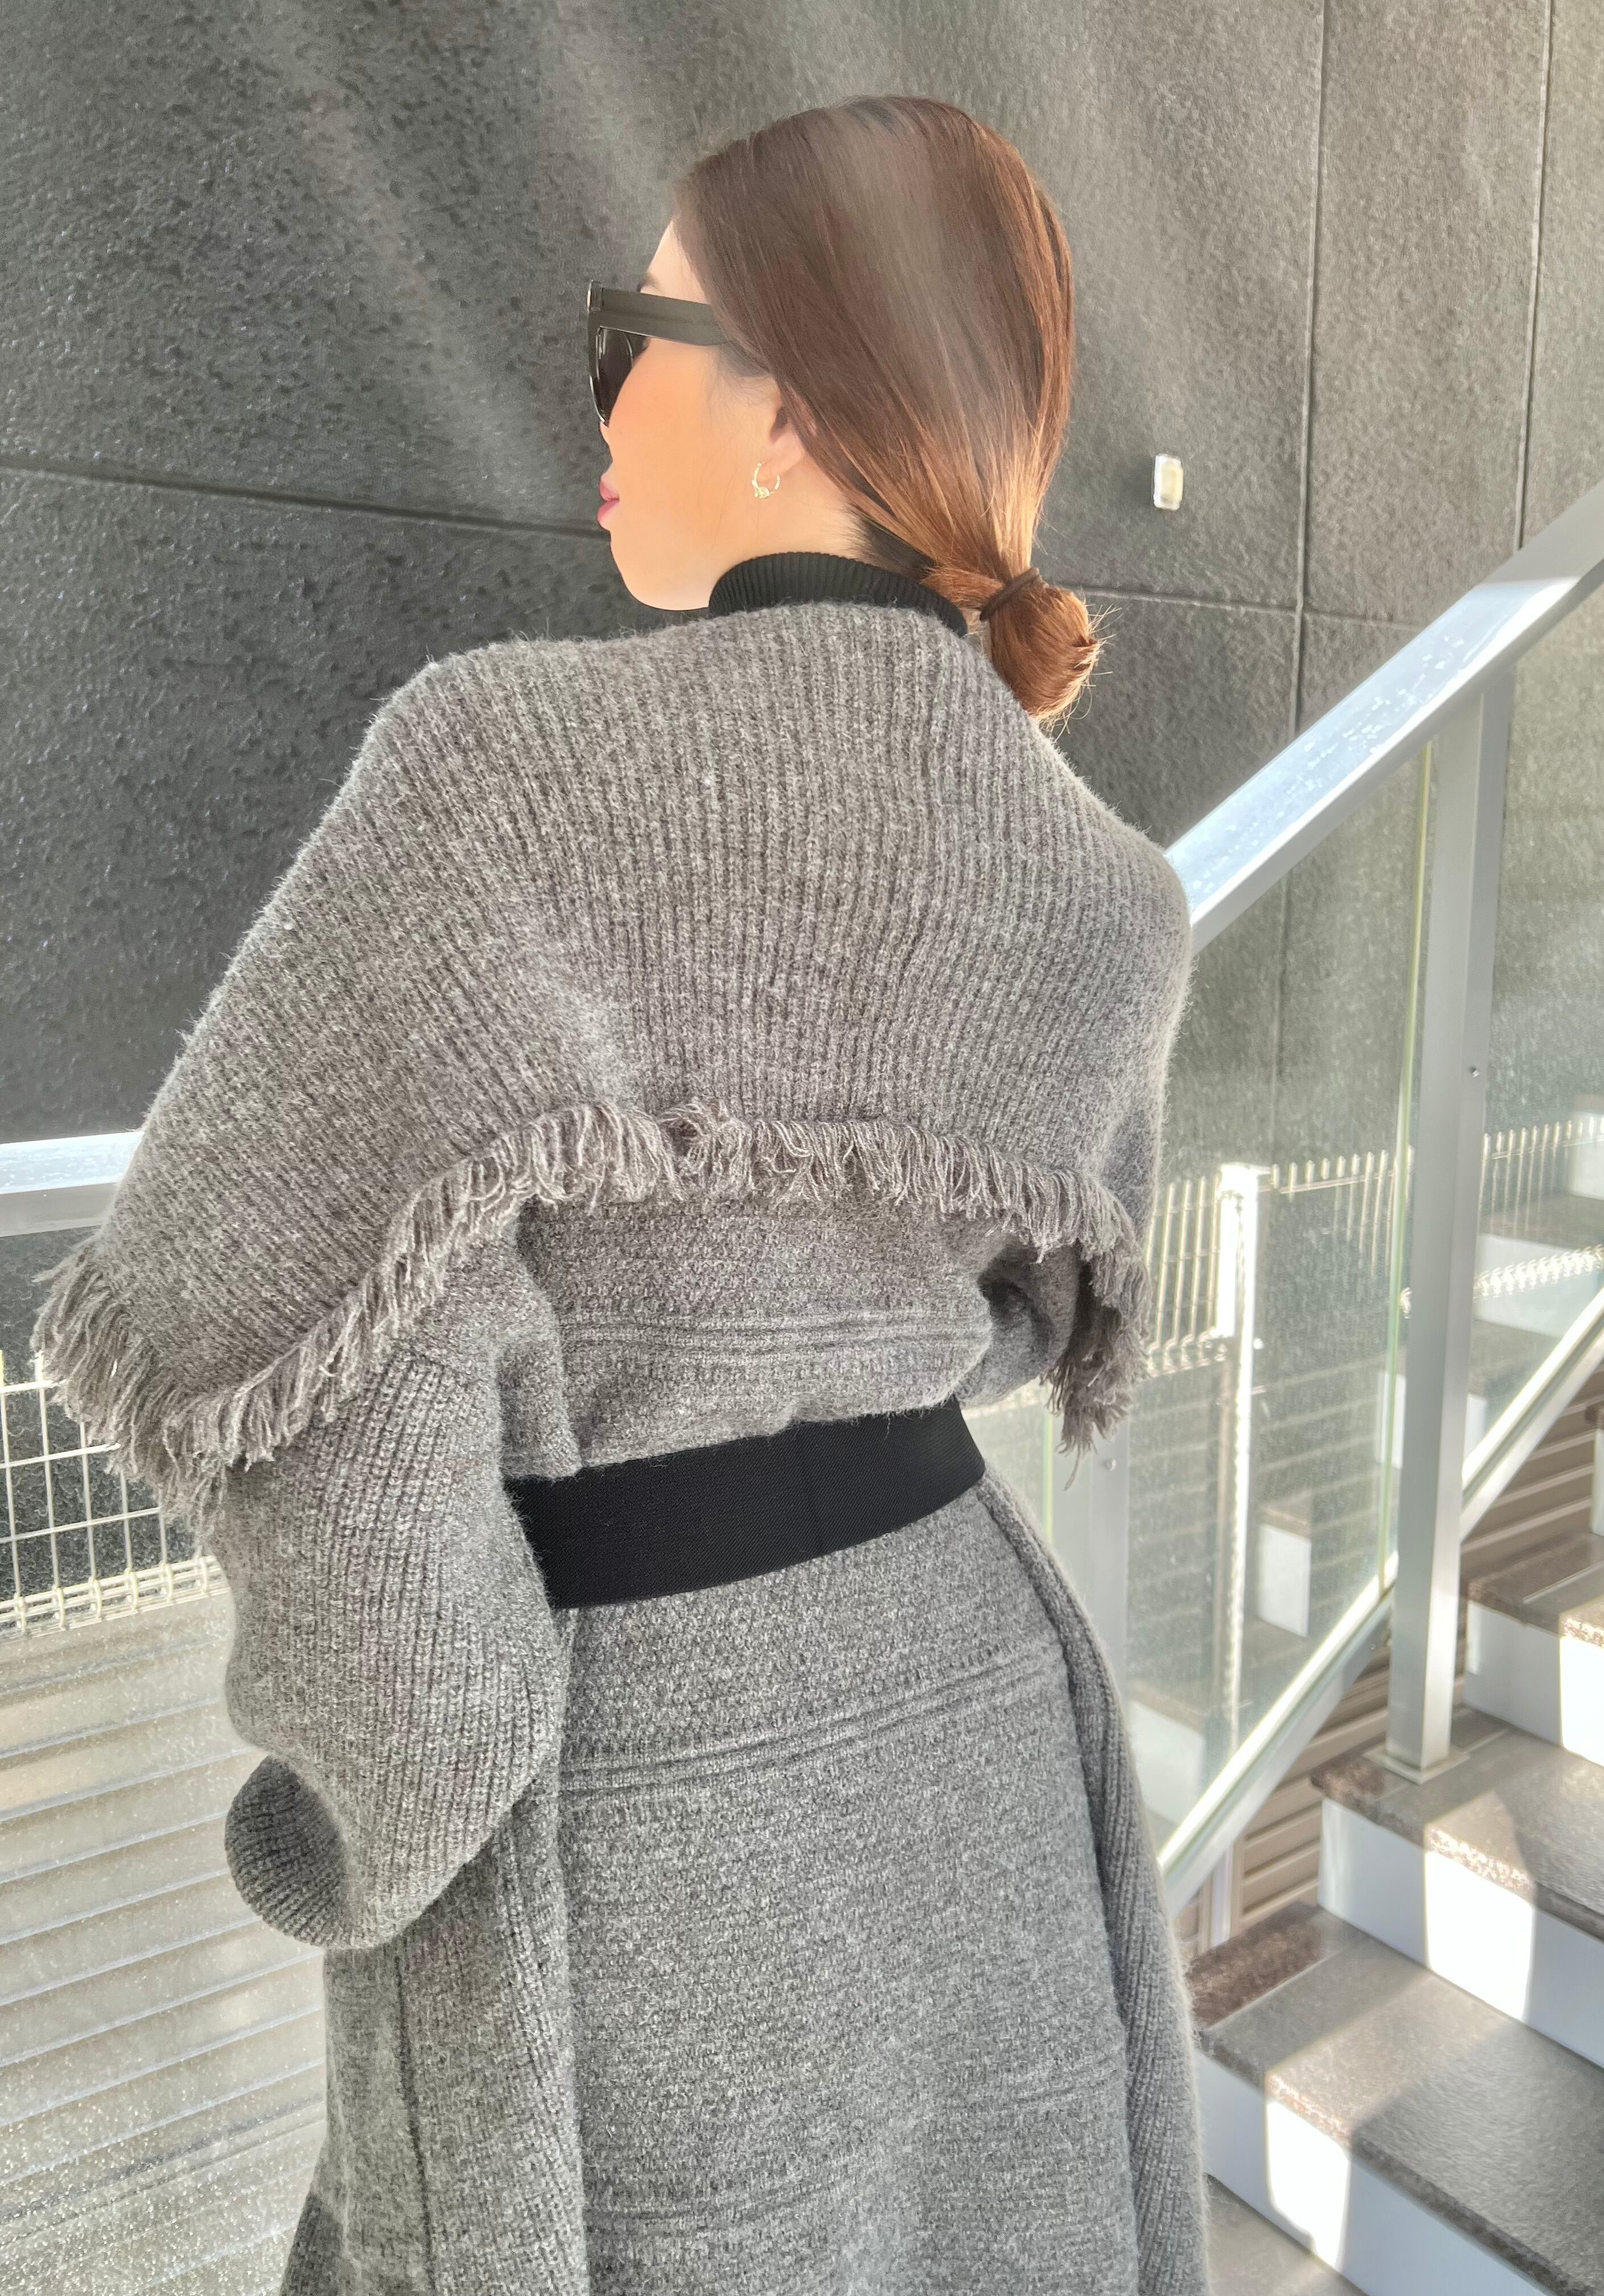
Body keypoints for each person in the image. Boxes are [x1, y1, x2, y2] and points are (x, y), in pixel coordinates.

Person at [32, 95, 1206, 2296]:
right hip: (970, 1719)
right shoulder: (1100, 886)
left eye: (632, 335)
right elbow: (1039, 1322)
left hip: (639, 1794)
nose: (597, 402)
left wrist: (382, 1791)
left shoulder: (494, 771)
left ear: (792, 410)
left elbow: (265, 1322)